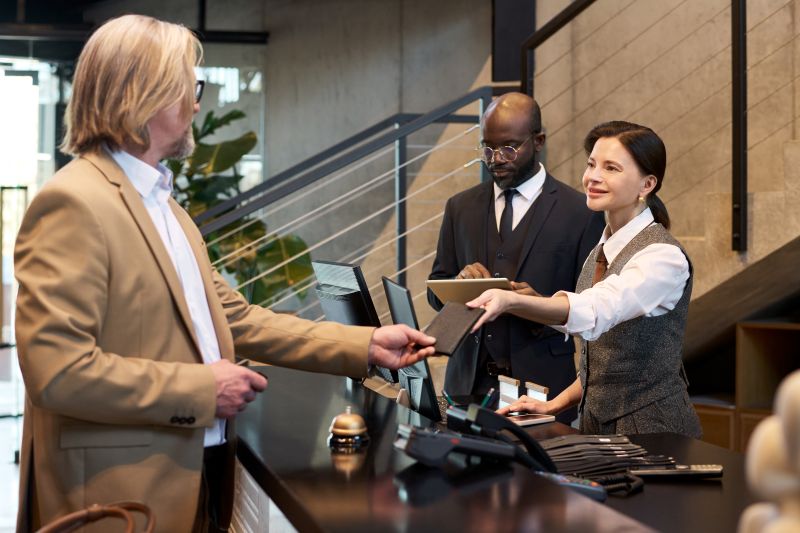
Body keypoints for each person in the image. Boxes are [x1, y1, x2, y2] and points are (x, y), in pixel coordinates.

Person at [14, 15, 435, 533]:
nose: (197, 103)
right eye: (190, 86)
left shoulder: (164, 207)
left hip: (193, 482)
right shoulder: (74, 202)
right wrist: (200, 390)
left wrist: (365, 344)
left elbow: (233, 319)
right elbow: (57, 371)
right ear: (143, 94)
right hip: (118, 500)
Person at [471, 120, 702, 438]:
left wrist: (512, 301)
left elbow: (596, 309)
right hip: (596, 424)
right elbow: (602, 360)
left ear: (647, 185)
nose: (593, 177)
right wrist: (554, 405)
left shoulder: (662, 257)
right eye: (592, 164)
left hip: (654, 431)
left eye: (611, 168)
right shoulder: (604, 246)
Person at [427, 92, 604, 423]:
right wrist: (459, 283)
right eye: (488, 148)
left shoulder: (580, 213)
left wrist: (541, 304)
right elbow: (435, 290)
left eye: (509, 148)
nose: (496, 159)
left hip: (544, 385)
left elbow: (592, 307)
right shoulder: (460, 207)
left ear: (538, 141)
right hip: (468, 382)